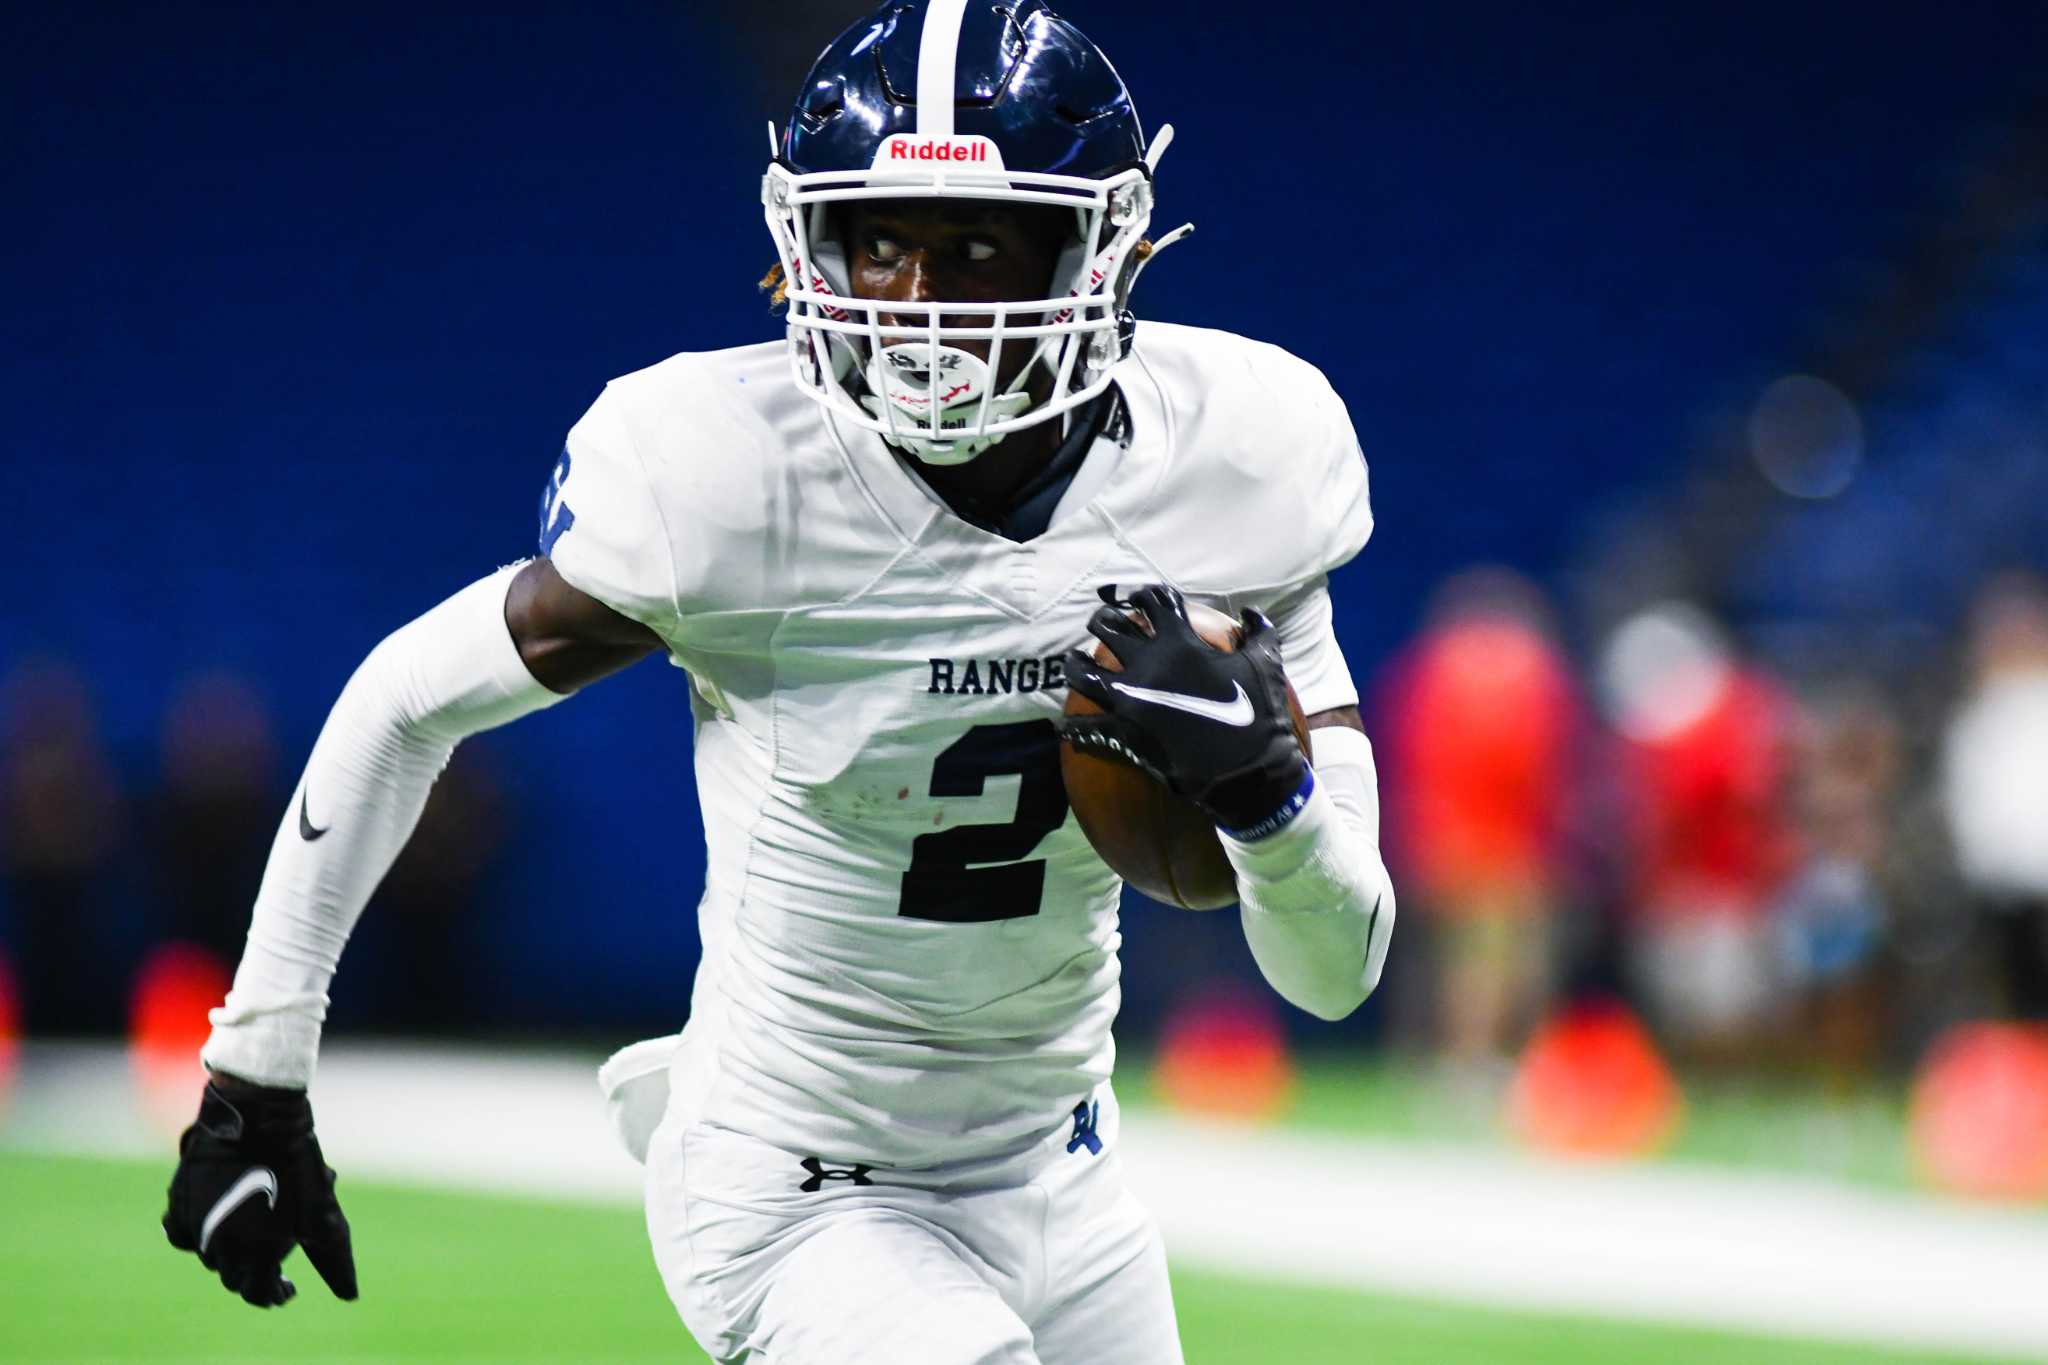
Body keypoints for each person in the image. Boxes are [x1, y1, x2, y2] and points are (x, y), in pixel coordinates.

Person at [159, 3, 1396, 1360]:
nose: (917, 307)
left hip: (1066, 1174)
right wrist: (257, 1065)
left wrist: (1271, 806)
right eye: (881, 243)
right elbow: (407, 695)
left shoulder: (1237, 462)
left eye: (977, 249)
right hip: (793, 1186)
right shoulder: (732, 481)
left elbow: (1336, 972)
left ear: (1098, 244)